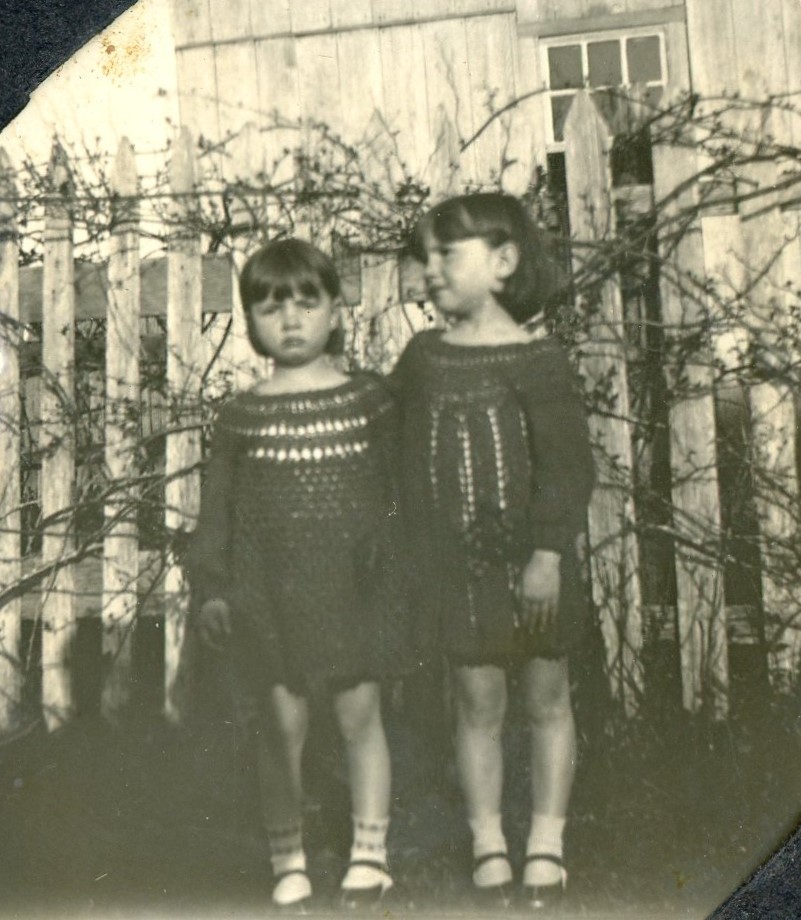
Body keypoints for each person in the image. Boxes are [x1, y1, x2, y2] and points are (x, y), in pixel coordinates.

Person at [187, 239, 405, 911]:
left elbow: (397, 495)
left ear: (335, 312)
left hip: (353, 590)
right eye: (270, 307)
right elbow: (218, 511)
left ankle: (370, 856)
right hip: (268, 596)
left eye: (307, 303)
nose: (290, 320)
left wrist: (390, 569)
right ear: (251, 322)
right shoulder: (242, 415)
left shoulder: (369, 402)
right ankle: (288, 860)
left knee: (360, 718)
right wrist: (214, 588)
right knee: (281, 729)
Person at [393, 193, 595, 910]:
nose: (430, 269)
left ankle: (546, 841)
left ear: (503, 261)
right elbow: (390, 442)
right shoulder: (423, 359)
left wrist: (547, 555)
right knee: (476, 702)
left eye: (447, 253)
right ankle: (488, 843)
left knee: (546, 699)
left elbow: (567, 468)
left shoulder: (539, 360)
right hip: (459, 570)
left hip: (534, 567)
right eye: (424, 256)